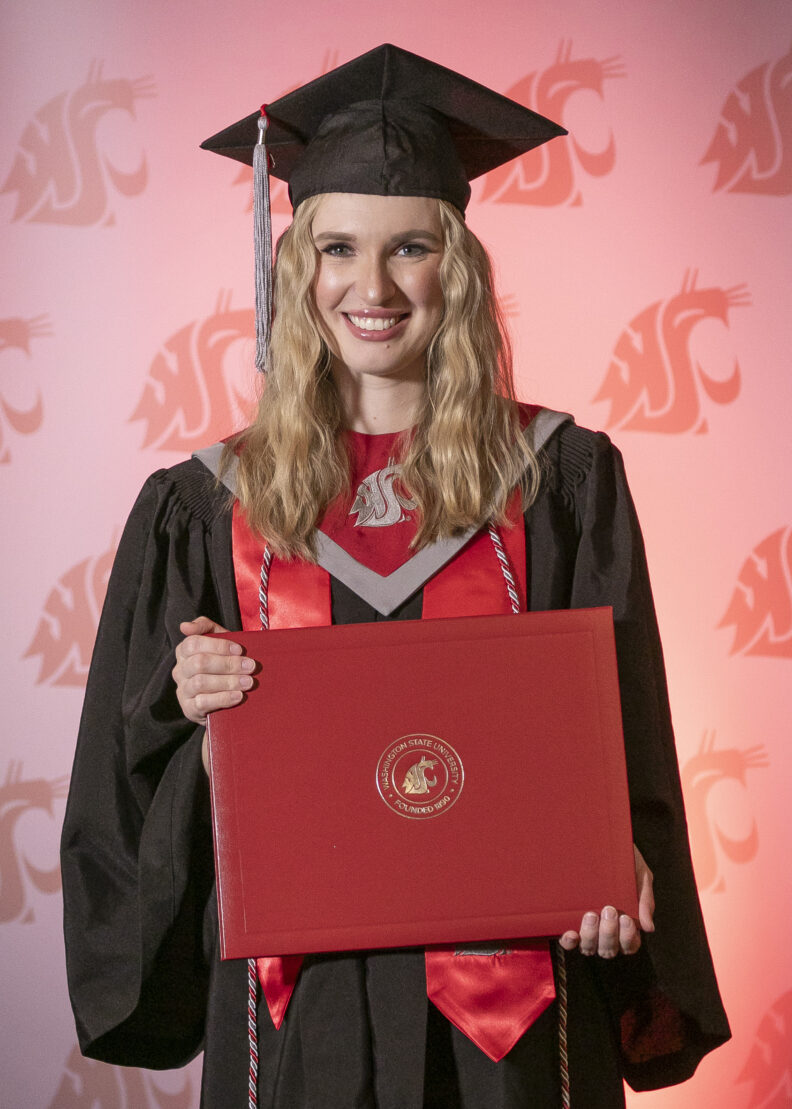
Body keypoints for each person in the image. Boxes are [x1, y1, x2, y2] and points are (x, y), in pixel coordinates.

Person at [61, 44, 730, 1108]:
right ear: (296, 269)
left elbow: (624, 736)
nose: (370, 288)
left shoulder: (558, 479)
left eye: (409, 247)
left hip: (513, 1005)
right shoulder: (208, 504)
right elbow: (124, 784)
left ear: (455, 269)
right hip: (301, 1003)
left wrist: (616, 868)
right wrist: (183, 705)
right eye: (337, 248)